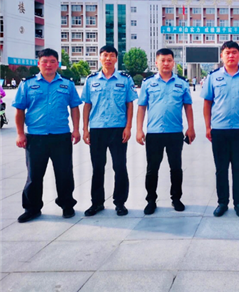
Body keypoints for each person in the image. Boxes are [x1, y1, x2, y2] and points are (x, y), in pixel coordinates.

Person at [12, 49, 82, 223]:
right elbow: (19, 110)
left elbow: (74, 107)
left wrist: (76, 129)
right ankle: (32, 208)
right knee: (34, 175)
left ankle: (67, 205)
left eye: (52, 61)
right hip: (35, 137)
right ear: (39, 64)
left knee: (64, 173)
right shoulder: (27, 84)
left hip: (61, 136)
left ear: (57, 64)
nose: (48, 65)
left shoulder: (67, 84)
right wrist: (20, 134)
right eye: (44, 61)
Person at [201, 41, 239, 218]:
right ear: (222, 55)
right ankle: (222, 202)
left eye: (234, 52)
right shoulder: (213, 77)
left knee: (238, 168)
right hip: (219, 130)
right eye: (227, 53)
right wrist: (208, 127)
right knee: (221, 168)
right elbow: (207, 103)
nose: (231, 56)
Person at [136, 48, 196, 215]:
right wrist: (139, 130)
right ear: (156, 63)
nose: (166, 63)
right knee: (152, 169)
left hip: (175, 132)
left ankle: (176, 198)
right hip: (154, 133)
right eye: (162, 60)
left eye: (169, 60)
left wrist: (191, 127)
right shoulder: (148, 83)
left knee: (176, 168)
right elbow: (141, 108)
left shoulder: (182, 83)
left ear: (173, 62)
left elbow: (188, 107)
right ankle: (151, 200)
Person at [81, 45, 138, 217]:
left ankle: (120, 203)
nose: (108, 58)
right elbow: (87, 106)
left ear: (116, 59)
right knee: (97, 167)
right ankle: (97, 203)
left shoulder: (125, 79)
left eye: (112, 55)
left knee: (120, 167)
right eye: (105, 55)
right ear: (100, 58)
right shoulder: (91, 80)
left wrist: (128, 127)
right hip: (97, 129)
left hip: (118, 129)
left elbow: (129, 104)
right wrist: (85, 129)